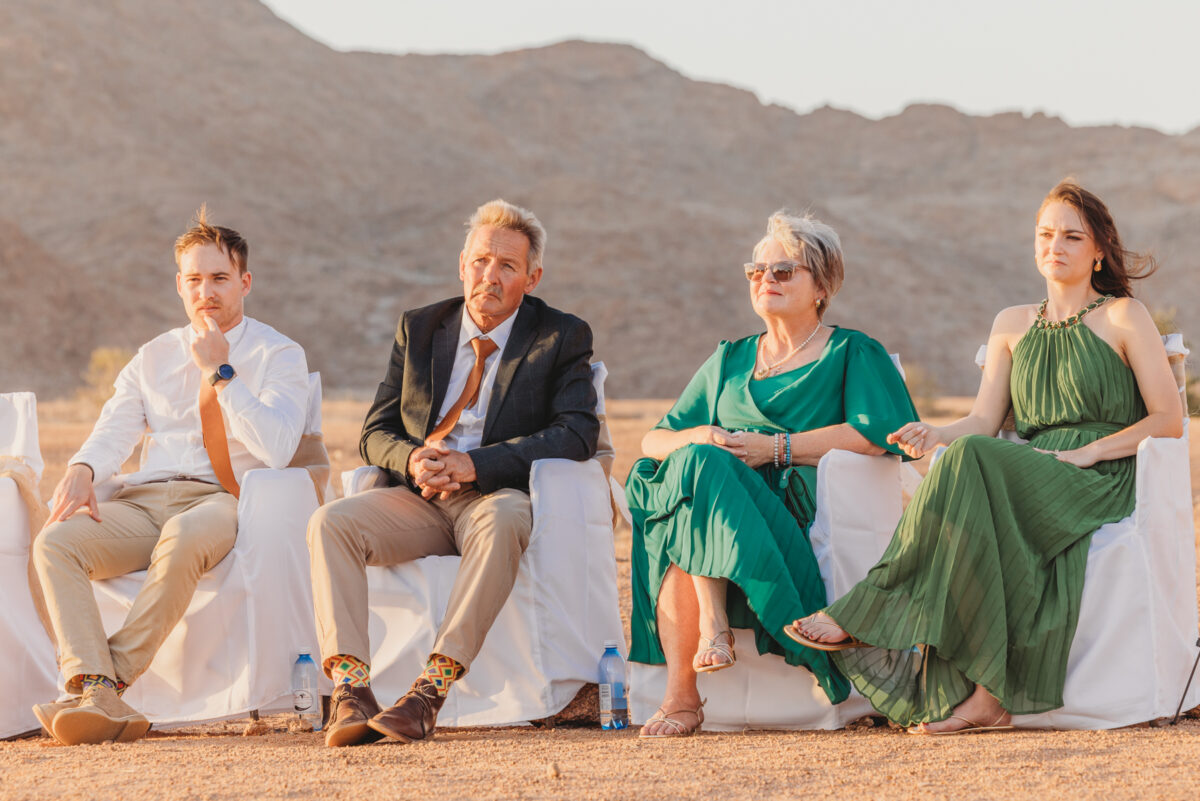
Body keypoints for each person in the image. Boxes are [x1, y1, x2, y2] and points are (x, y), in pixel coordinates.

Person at [787, 180, 1182, 734]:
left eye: (1072, 236)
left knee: (970, 459)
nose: (1055, 246)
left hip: (1100, 474)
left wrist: (1090, 451)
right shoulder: (1011, 323)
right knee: (960, 456)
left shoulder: (1124, 315)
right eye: (1045, 234)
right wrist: (935, 433)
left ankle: (872, 611)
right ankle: (986, 696)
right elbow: (982, 421)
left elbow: (1168, 419)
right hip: (1029, 468)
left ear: (1099, 250)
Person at [307, 199, 598, 747]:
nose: (491, 276)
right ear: (462, 264)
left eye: (508, 266)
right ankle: (351, 692)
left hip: (494, 496)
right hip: (419, 498)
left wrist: (475, 464)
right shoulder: (420, 328)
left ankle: (427, 694)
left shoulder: (560, 335)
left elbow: (576, 433)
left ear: (532, 277)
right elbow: (375, 431)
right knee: (330, 523)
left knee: (506, 518)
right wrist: (412, 459)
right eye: (481, 261)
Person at [625, 210, 919, 738]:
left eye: (783, 271)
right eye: (756, 270)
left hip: (792, 507)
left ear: (822, 286)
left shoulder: (851, 351)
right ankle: (705, 641)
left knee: (693, 482)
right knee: (687, 464)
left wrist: (774, 448)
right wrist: (702, 434)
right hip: (716, 500)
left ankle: (686, 690)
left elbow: (878, 433)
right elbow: (655, 439)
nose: (766, 279)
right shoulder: (729, 359)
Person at [32, 207, 310, 745]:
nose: (207, 291)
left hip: (218, 500)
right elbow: (114, 428)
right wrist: (83, 468)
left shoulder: (278, 353)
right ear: (179, 286)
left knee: (182, 539)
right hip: (142, 501)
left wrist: (221, 373)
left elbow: (277, 448)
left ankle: (102, 684)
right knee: (56, 543)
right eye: (194, 279)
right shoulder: (153, 356)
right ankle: (97, 689)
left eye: (220, 278)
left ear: (245, 283)